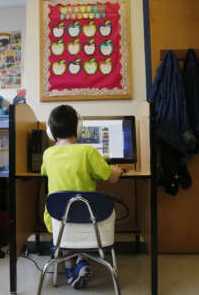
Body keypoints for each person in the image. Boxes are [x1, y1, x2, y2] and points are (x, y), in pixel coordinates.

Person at [41, 104, 122, 289]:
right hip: (90, 221)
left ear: (51, 132)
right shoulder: (88, 152)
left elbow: (44, 172)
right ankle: (81, 261)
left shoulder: (47, 154)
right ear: (78, 128)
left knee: (67, 218)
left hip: (58, 222)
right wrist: (116, 170)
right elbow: (111, 178)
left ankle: (70, 269)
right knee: (83, 216)